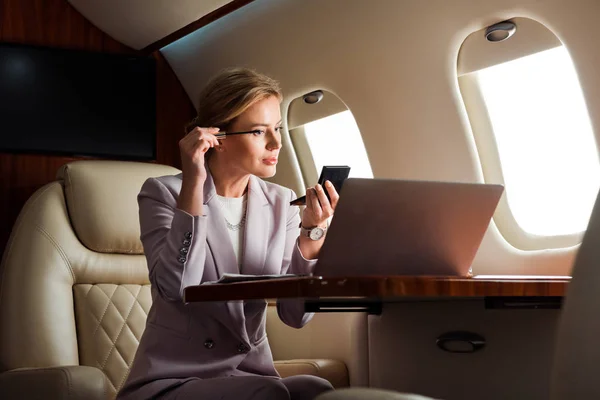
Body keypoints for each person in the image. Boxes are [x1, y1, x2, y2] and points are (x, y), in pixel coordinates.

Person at [117, 68, 338, 400]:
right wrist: (193, 181)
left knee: (319, 390)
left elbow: (295, 316)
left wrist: (310, 238)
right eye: (258, 132)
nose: (276, 142)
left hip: (248, 371)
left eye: (277, 128)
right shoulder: (162, 193)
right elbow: (177, 288)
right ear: (217, 138)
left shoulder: (281, 201)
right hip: (173, 378)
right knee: (267, 393)